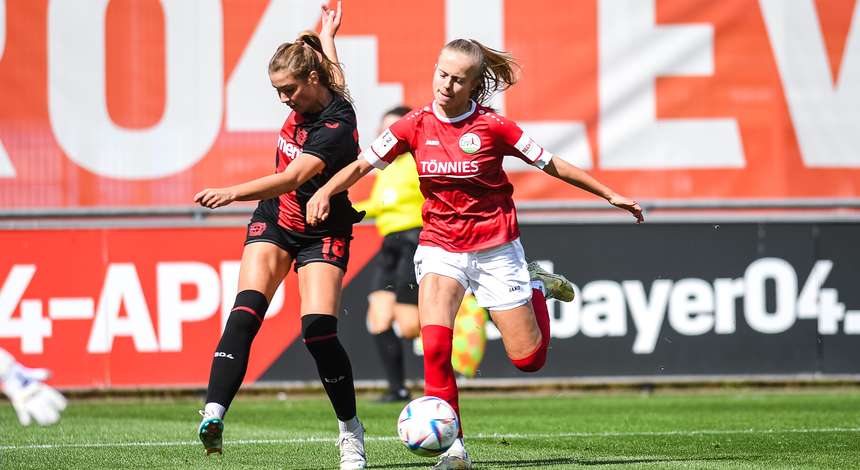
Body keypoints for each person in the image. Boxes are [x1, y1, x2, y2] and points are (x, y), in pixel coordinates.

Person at [307, 37, 643, 469]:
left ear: (473, 85)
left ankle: (536, 286)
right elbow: (360, 165)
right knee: (434, 348)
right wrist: (329, 191)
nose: (445, 84)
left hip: (496, 249)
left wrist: (609, 193)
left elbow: (552, 163)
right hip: (440, 248)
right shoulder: (414, 124)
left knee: (529, 360)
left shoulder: (494, 127)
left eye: (457, 79)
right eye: (441, 73)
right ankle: (454, 450)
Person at [193, 4, 368, 469]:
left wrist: (231, 192)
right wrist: (328, 34)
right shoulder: (320, 83)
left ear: (311, 80)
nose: (284, 99)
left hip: (323, 231)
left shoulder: (337, 125)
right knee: (246, 310)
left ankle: (350, 430)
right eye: (277, 91)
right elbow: (333, 69)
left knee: (317, 333)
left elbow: (293, 177)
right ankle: (213, 413)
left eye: (289, 89)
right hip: (276, 219)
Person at [352, 106, 424, 403]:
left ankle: (460, 316)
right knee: (378, 318)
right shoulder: (386, 168)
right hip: (390, 244)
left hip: (415, 239)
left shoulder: (420, 161)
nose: (388, 136)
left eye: (395, 130)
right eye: (384, 131)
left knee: (408, 326)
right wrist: (349, 212)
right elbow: (381, 204)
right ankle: (398, 388)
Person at [0, 347, 67, 426]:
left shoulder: (14, 369)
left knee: (57, 412)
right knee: (50, 418)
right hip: (28, 393)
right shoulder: (11, 374)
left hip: (34, 389)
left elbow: (26, 373)